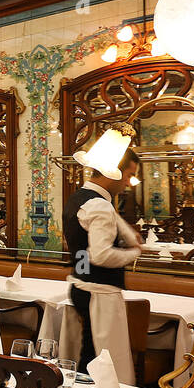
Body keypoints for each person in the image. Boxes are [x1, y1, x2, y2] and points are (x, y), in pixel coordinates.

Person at [63, 150, 142, 373]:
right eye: (128, 174)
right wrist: (134, 253)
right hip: (100, 292)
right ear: (113, 171)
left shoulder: (81, 198)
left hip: (80, 284)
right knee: (103, 359)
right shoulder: (100, 206)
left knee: (90, 351)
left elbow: (87, 251)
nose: (129, 182)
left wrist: (130, 237)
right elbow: (101, 255)